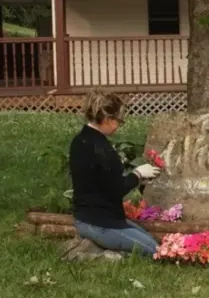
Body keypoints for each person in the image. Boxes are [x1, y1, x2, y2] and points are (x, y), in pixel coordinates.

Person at [69, 91, 162, 257]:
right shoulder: (101, 149)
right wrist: (137, 174)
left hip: (91, 217)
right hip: (100, 223)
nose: (119, 125)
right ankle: (108, 255)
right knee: (156, 251)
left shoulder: (81, 140)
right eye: (118, 120)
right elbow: (116, 190)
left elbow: (100, 181)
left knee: (151, 241)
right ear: (106, 119)